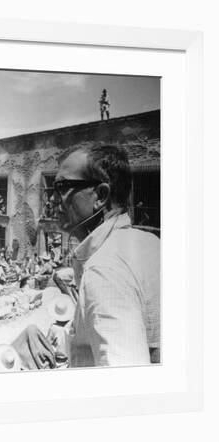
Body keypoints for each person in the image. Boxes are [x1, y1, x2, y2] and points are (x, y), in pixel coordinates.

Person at [50, 144, 160, 366]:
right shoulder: (150, 242)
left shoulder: (104, 269)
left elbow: (124, 386)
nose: (53, 199)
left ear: (100, 196)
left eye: (62, 187)